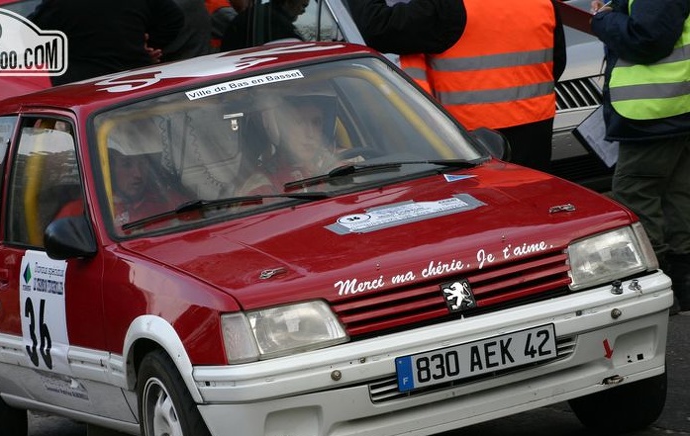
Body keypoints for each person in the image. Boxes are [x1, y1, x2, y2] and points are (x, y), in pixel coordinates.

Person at [350, 0, 566, 173]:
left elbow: (379, 27)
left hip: (469, 144)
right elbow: (556, 64)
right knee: (533, 211)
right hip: (535, 136)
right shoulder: (543, 3)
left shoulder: (447, 7)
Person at [590, 0, 690, 312]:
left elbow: (647, 38)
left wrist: (603, 21)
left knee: (636, 192)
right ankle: (681, 284)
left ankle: (656, 283)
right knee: (677, 194)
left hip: (655, 110)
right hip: (672, 106)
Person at [29, 0, 184, 86]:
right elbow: (174, 19)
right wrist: (150, 45)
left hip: (84, 93)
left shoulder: (58, 5)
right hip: (137, 83)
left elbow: (29, 34)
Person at [237, 94, 342, 194]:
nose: (310, 133)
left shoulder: (342, 166)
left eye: (316, 122)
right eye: (298, 122)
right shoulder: (262, 187)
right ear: (281, 129)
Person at [108, 150, 188, 229]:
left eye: (142, 163)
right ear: (111, 170)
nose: (138, 174)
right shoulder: (101, 209)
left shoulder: (168, 200)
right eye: (127, 165)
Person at [220, 0, 308, 51]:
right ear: (288, 2)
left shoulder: (254, 14)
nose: (304, 11)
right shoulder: (278, 24)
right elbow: (299, 54)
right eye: (303, 6)